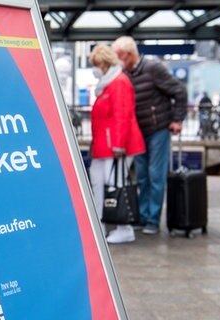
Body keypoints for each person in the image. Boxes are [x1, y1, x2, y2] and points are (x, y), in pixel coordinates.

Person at [112, 36, 187, 235]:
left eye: (119, 56)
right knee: (142, 176)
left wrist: (177, 119)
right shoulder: (125, 74)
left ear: (128, 54)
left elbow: (179, 90)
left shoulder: (153, 69)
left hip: (158, 130)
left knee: (156, 175)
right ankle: (142, 216)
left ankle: (153, 219)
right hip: (138, 132)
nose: (118, 60)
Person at [88, 44, 146, 244]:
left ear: (104, 63)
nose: (95, 69)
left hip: (116, 146)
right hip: (105, 146)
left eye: (97, 65)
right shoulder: (108, 83)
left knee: (116, 184)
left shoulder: (118, 82)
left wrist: (118, 146)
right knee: (99, 182)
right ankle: (99, 224)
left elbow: (123, 115)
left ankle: (124, 227)